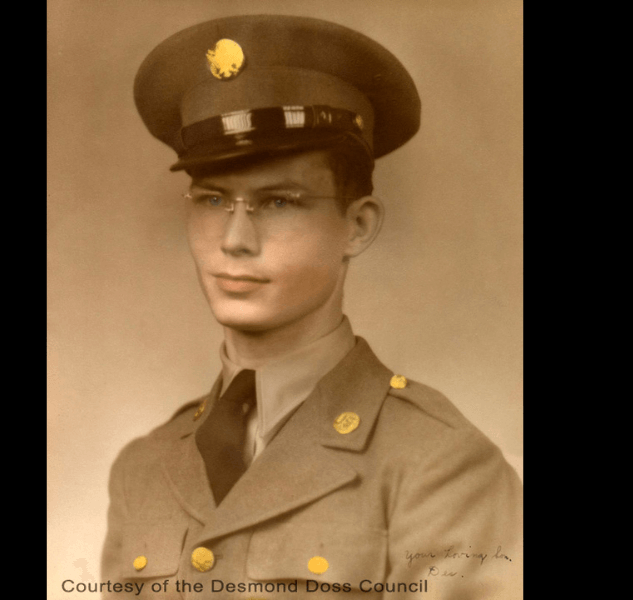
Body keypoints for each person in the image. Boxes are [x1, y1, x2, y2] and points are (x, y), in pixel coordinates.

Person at [100, 15, 522, 599]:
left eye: (278, 201)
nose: (234, 239)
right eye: (213, 199)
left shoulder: (440, 464)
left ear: (357, 225)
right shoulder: (143, 468)